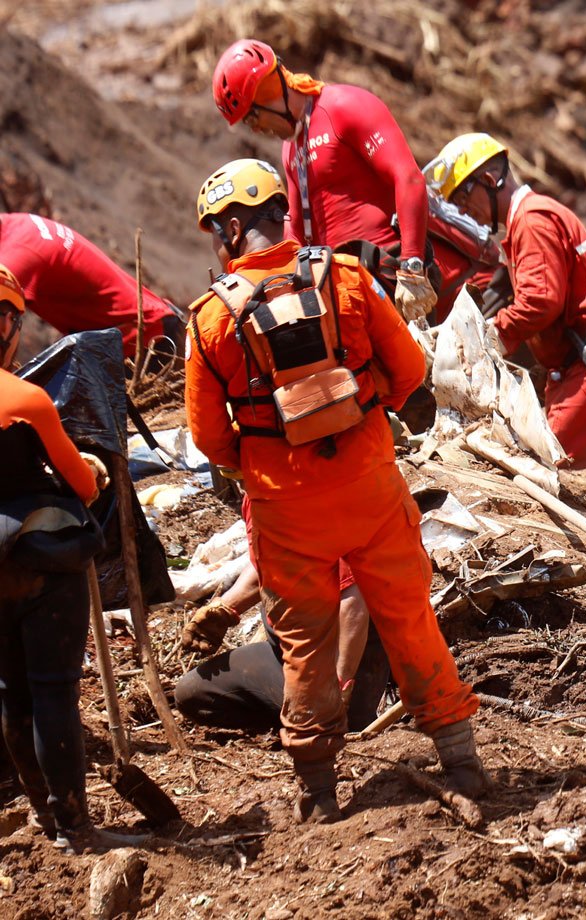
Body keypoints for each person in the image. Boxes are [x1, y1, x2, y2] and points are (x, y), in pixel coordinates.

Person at [184, 158, 487, 823]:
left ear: (234, 228)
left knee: (305, 648)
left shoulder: (210, 319)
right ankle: (462, 762)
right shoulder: (346, 278)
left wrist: (267, 459)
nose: (216, 241)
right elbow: (409, 373)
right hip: (371, 486)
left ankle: (320, 795)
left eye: (216, 231)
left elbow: (209, 440)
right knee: (411, 620)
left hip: (285, 508)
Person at [0, 265, 147, 852]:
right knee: (54, 693)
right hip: (41, 561)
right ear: (8, 324)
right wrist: (93, 472)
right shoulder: (28, 400)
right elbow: (83, 487)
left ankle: (41, 813)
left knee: (11, 693)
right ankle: (77, 828)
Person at [427, 133, 586, 468]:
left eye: (464, 197)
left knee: (552, 471)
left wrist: (490, 336)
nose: (465, 211)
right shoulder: (538, 215)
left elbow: (540, 301)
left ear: (488, 179)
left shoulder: (530, 220)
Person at [211, 38, 438, 322]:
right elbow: (295, 230)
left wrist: (412, 267)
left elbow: (409, 178)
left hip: (392, 278)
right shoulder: (290, 147)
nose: (255, 129)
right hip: (341, 292)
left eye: (251, 118)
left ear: (266, 94)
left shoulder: (344, 107)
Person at [174, 506, 390, 734]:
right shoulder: (258, 495)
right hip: (284, 653)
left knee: (335, 729)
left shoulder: (323, 500)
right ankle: (294, 716)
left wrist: (337, 686)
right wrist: (226, 608)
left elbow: (354, 601)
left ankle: (326, 721)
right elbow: (266, 558)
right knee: (193, 693)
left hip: (339, 661)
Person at [0, 213, 180, 364]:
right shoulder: (15, 224)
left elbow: (4, 339)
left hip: (143, 344)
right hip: (149, 326)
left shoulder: (15, 257)